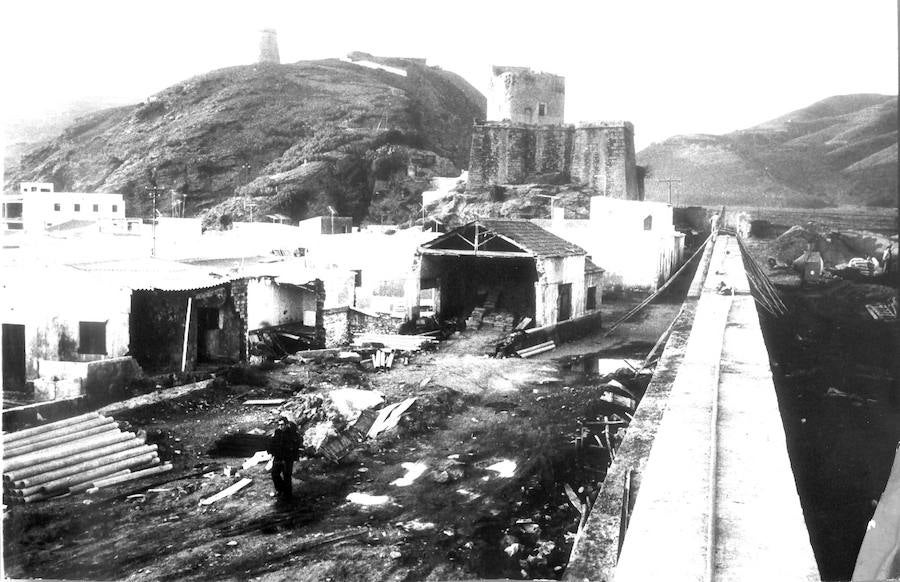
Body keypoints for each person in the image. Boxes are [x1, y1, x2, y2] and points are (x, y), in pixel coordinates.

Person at [267, 415, 301, 499]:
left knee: (287, 476)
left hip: (287, 458)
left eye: (282, 425)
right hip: (278, 457)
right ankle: (280, 490)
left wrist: (292, 453)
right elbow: (273, 443)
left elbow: (297, 444)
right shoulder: (278, 432)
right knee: (274, 474)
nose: (280, 427)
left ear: (286, 424)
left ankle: (288, 495)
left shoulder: (292, 433)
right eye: (279, 425)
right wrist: (271, 452)